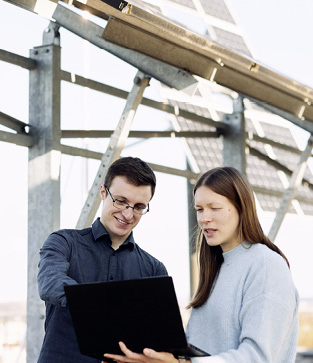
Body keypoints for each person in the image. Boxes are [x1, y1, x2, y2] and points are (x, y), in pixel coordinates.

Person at [103, 166, 299, 363]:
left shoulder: (266, 266)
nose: (204, 218)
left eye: (215, 208)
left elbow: (258, 358)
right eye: (199, 209)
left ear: (242, 207)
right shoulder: (216, 269)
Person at [37, 156, 168, 363]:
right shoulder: (64, 242)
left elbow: (159, 337)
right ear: (102, 192)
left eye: (139, 206)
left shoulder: (154, 269)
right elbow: (50, 284)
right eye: (121, 201)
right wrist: (110, 308)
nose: (127, 214)